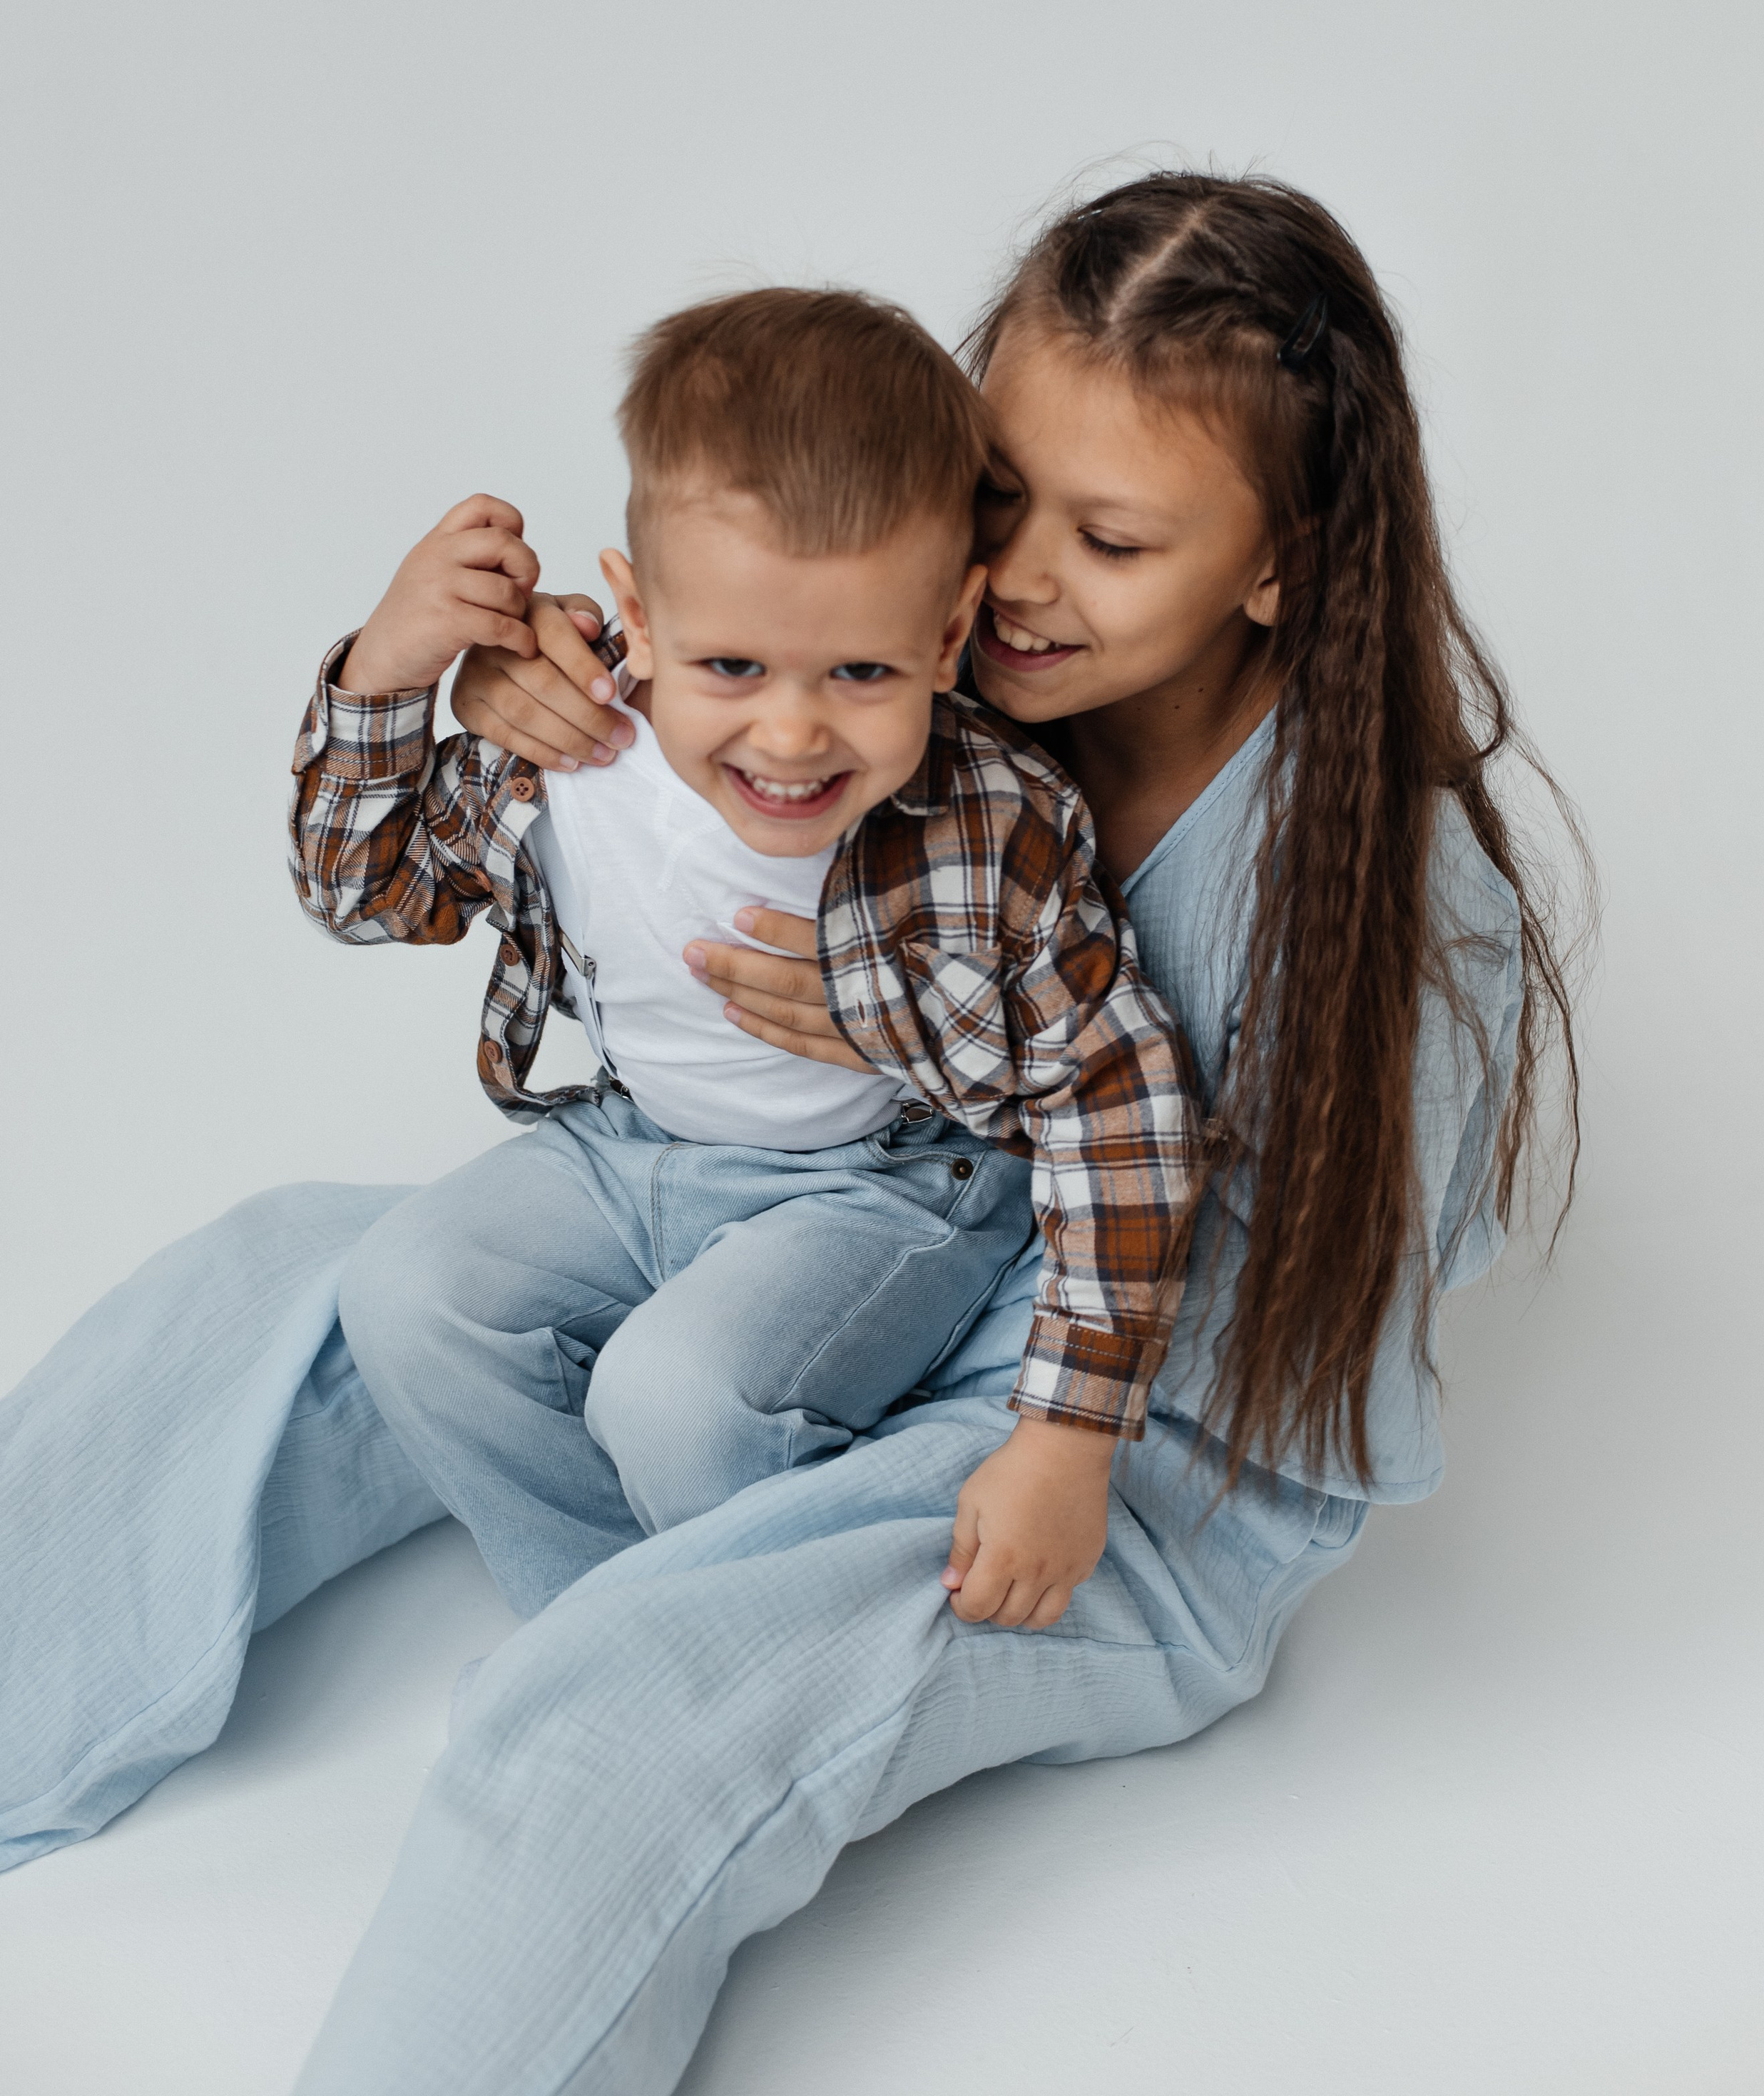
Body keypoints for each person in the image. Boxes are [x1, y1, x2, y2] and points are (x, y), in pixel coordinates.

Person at [0, 173, 1581, 2096]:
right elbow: (754, 651)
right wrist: (569, 702)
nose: (1011, 581)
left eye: (1114, 537)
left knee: (610, 1715)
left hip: (1113, 1425)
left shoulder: (1388, 917)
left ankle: (648, 1654)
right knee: (303, 1291)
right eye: (998, 499)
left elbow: (1214, 1292)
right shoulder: (936, 696)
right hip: (838, 1219)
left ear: (1278, 566)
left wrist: (930, 1095)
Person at [301, 288, 1198, 1626]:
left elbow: (1120, 1108)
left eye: (860, 674)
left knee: (677, 1399)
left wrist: (1070, 1436)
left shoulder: (991, 820)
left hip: (885, 1185)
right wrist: (390, 673)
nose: (791, 738)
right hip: (630, 1150)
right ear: (638, 618)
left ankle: (776, 1633)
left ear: (947, 636)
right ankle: (603, 1627)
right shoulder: (566, 747)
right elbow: (365, 898)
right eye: (730, 664)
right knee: (405, 1292)